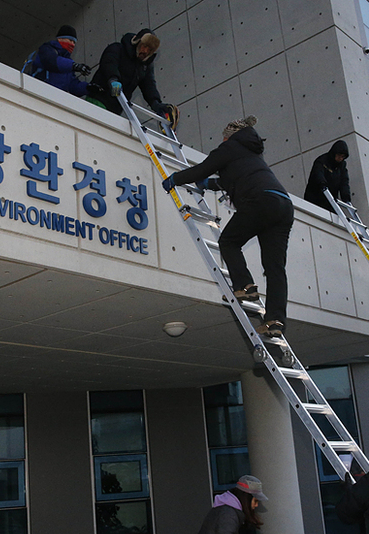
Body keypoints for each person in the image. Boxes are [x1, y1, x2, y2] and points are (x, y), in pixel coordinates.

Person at [162, 116, 294, 337]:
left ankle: (245, 286)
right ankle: (275, 320)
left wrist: (175, 178)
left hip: (259, 201)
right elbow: (230, 179)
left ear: (230, 136)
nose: (222, 140)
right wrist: (209, 185)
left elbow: (201, 170)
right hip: (282, 205)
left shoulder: (229, 148)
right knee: (275, 267)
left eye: (224, 137)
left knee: (229, 242)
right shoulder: (253, 154)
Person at [88, 28, 173, 119]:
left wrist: (156, 103)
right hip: (98, 98)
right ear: (137, 42)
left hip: (116, 108)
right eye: (144, 46)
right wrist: (113, 79)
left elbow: (149, 86)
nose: (145, 51)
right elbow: (109, 64)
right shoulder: (117, 49)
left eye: (149, 49)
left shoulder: (144, 66)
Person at [24, 25, 92, 97]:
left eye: (74, 42)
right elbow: (52, 62)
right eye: (70, 40)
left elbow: (72, 86)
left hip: (56, 99)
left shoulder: (68, 63)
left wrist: (88, 87)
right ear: (60, 38)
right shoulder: (46, 49)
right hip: (38, 93)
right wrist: (74, 66)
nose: (72, 44)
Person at [303, 139, 351, 211]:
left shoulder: (342, 167)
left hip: (330, 201)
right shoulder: (322, 161)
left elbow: (344, 183)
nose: (340, 158)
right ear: (334, 153)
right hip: (316, 198)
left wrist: (346, 198)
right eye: (338, 155)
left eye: (342, 157)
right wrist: (322, 184)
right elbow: (318, 174)